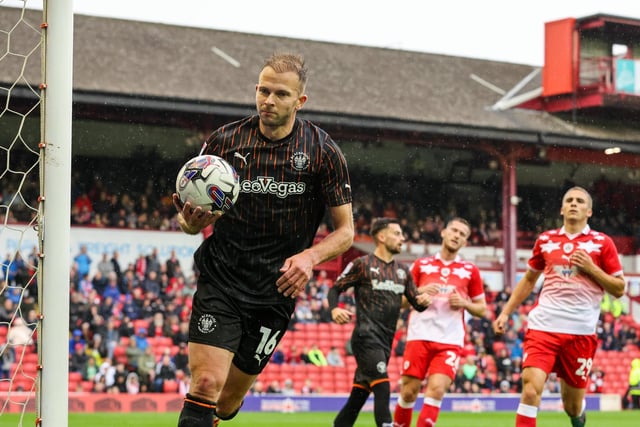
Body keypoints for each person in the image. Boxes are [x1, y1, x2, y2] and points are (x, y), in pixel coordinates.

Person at [173, 52, 354, 427]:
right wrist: (191, 225)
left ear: (300, 101)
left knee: (225, 403)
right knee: (205, 383)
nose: (268, 100)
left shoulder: (322, 152)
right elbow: (190, 221)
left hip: (276, 291)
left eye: (280, 94)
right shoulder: (224, 142)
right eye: (262, 90)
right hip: (222, 279)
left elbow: (345, 232)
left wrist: (309, 258)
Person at [493, 186, 625, 427]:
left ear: (589, 211)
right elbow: (530, 279)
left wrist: (591, 268)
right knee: (531, 388)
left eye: (579, 201)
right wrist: (506, 311)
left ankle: (577, 416)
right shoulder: (545, 240)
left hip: (580, 333)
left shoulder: (602, 243)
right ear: (562, 209)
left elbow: (619, 289)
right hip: (543, 326)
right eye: (569, 200)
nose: (574, 204)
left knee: (571, 406)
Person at [328, 217, 429, 427]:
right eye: (397, 234)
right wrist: (335, 308)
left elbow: (417, 304)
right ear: (381, 237)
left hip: (385, 341)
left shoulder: (403, 271)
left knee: (358, 397)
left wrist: (425, 300)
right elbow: (335, 288)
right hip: (365, 337)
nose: (402, 238)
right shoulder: (361, 265)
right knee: (383, 387)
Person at [393, 217, 486, 427]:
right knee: (408, 392)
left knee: (436, 390)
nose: (457, 236)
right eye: (454, 231)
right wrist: (418, 293)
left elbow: (482, 309)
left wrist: (464, 303)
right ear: (443, 232)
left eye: (462, 234)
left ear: (465, 243)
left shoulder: (470, 271)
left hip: (449, 340)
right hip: (419, 335)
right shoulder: (421, 265)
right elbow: (399, 302)